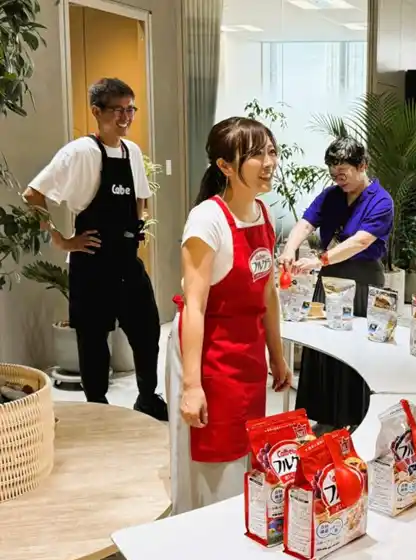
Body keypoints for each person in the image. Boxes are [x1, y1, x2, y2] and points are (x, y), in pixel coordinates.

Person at [166, 117, 292, 515]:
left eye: (271, 151)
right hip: (209, 353)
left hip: (247, 352)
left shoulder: (262, 213)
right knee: (213, 459)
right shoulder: (208, 220)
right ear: (225, 166)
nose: (268, 162)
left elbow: (268, 293)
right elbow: (195, 306)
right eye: (255, 154)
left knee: (247, 451)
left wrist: (277, 355)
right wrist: (192, 386)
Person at [23, 78, 167, 420]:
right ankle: (98, 409)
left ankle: (147, 397)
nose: (125, 117)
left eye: (130, 109)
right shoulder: (80, 152)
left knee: (147, 332)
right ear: (96, 111)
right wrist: (61, 240)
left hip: (127, 263)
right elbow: (33, 194)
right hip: (91, 265)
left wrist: (137, 225)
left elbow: (141, 197)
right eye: (118, 110)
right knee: (93, 342)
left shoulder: (132, 152)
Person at [280, 137, 394, 432]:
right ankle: (324, 416)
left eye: (343, 174)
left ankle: (355, 418)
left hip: (362, 280)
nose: (338, 180)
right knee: (323, 347)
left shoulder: (381, 201)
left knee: (355, 349)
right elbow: (306, 223)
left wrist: (319, 260)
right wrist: (290, 248)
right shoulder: (331, 196)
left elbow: (361, 242)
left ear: (363, 166)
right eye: (334, 174)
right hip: (328, 279)